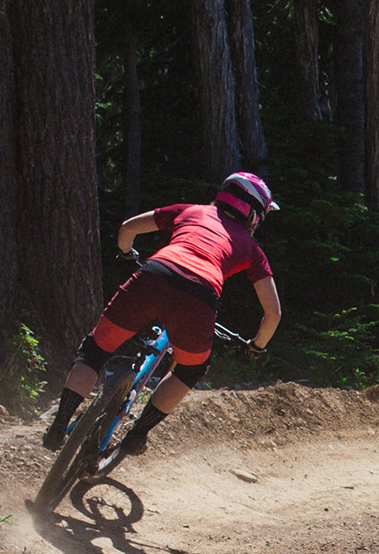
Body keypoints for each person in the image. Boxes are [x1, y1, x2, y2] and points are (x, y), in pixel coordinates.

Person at [42, 172, 283, 456]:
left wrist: (126, 254)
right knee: (190, 369)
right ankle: (137, 435)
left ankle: (59, 425)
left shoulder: (191, 210)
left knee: (95, 349)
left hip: (155, 273)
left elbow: (128, 228)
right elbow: (273, 313)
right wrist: (256, 345)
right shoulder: (252, 248)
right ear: (254, 214)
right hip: (200, 296)